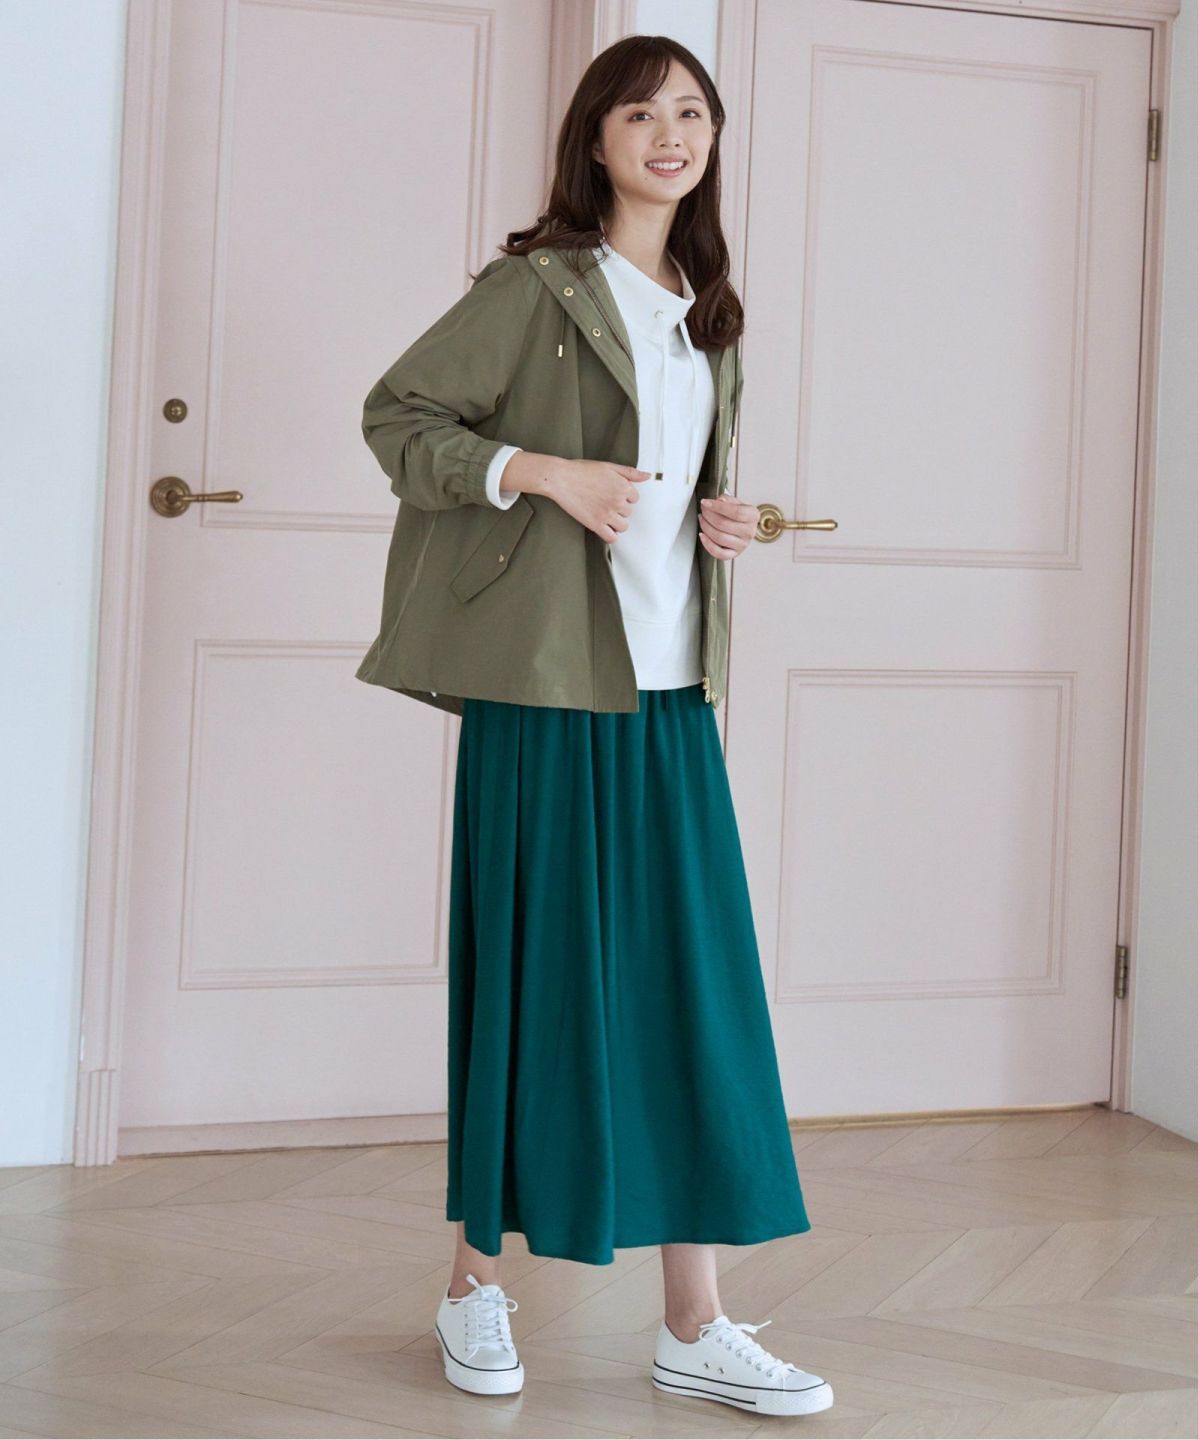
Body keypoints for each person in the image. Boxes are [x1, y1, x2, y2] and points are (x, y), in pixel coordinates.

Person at [356, 33, 834, 1421]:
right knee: (534, 984)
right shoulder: (538, 288)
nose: (670, 135)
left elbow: (670, 485)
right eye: (641, 114)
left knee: (691, 995)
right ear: (597, 139)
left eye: (692, 113)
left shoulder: (706, 306)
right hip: (547, 688)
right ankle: (470, 1285)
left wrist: (719, 518)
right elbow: (398, 419)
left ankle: (695, 1321)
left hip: (671, 694)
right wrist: (540, 471)